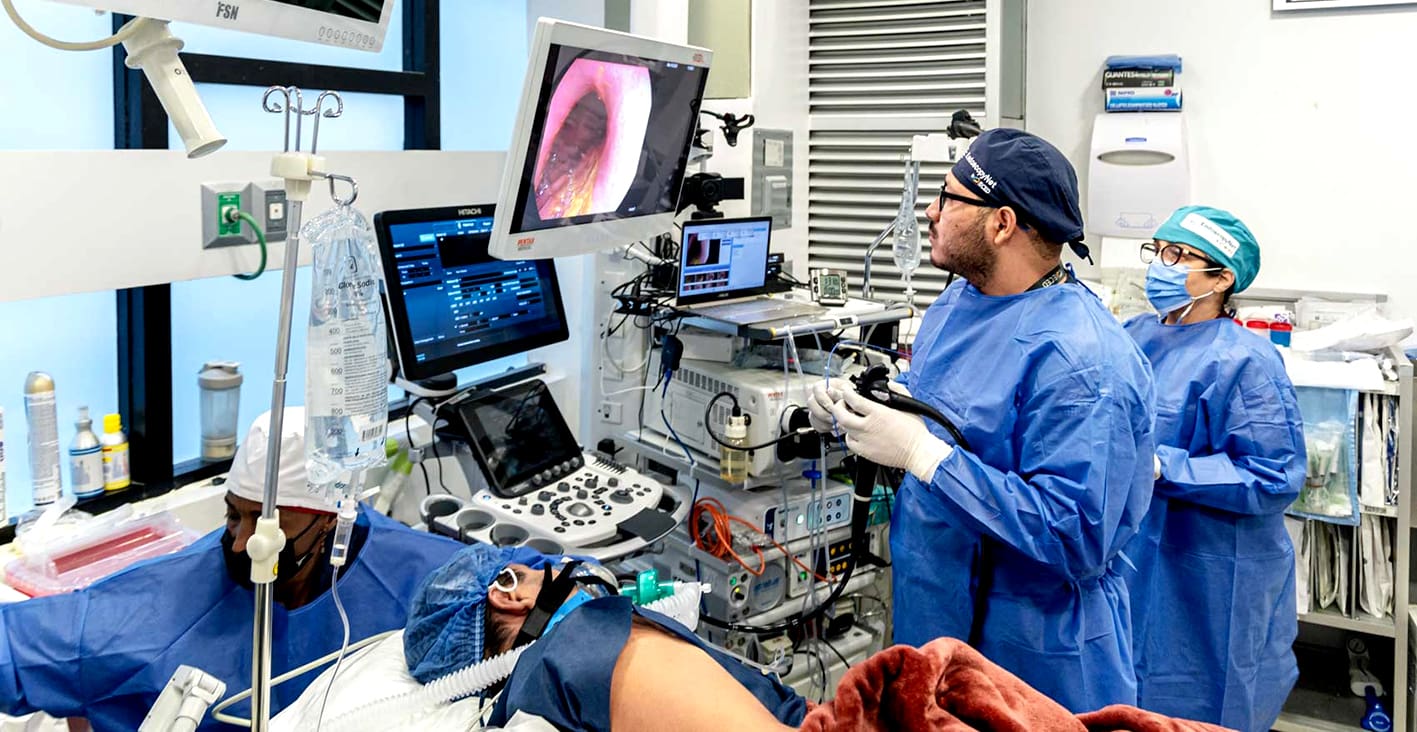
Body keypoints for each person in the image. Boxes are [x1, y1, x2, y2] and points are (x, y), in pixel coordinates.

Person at [809, 128, 1156, 712]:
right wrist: (868, 413)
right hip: (935, 608)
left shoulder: (1084, 362)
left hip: (1032, 648)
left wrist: (922, 454)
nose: (929, 211)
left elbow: (1075, 534)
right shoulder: (958, 304)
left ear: (1001, 224)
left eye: (948, 198)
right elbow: (950, 421)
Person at [0, 407, 463, 731]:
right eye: (232, 515)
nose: (241, 542)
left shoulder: (425, 576)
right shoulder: (157, 607)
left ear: (327, 522)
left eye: (265, 522)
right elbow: (18, 649)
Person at [1122, 205, 1305, 731]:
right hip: (1134, 550)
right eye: (1158, 251)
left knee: (1205, 697)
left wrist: (1165, 466)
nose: (1160, 265)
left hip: (1210, 565)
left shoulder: (1246, 361)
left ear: (1222, 278)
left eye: (1178, 255)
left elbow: (1273, 476)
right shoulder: (1133, 333)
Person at [402, 543, 807, 732]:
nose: (558, 568)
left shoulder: (535, 689)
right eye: (533, 568)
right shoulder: (587, 643)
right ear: (509, 595)